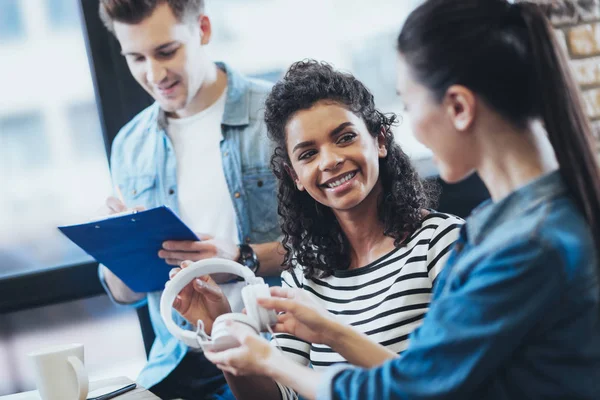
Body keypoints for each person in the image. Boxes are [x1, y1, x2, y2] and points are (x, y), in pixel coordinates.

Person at [200, 0, 600, 399]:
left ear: (458, 107)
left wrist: (270, 359)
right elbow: (426, 370)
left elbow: (413, 386)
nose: (415, 128)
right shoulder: (511, 223)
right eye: (307, 153)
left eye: (409, 104)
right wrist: (320, 330)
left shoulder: (524, 246)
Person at [170, 60, 463, 400]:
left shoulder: (444, 243)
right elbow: (282, 396)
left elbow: (446, 385)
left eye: (345, 137)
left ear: (379, 140)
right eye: (308, 153)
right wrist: (222, 329)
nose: (329, 161)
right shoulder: (303, 273)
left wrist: (332, 331)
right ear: (295, 177)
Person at [97, 1, 283, 399]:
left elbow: (337, 246)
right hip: (175, 363)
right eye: (136, 58)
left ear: (202, 29)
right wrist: (120, 252)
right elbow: (126, 292)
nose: (154, 74)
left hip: (275, 349)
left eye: (166, 52)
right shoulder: (130, 145)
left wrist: (239, 259)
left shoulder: (278, 116)